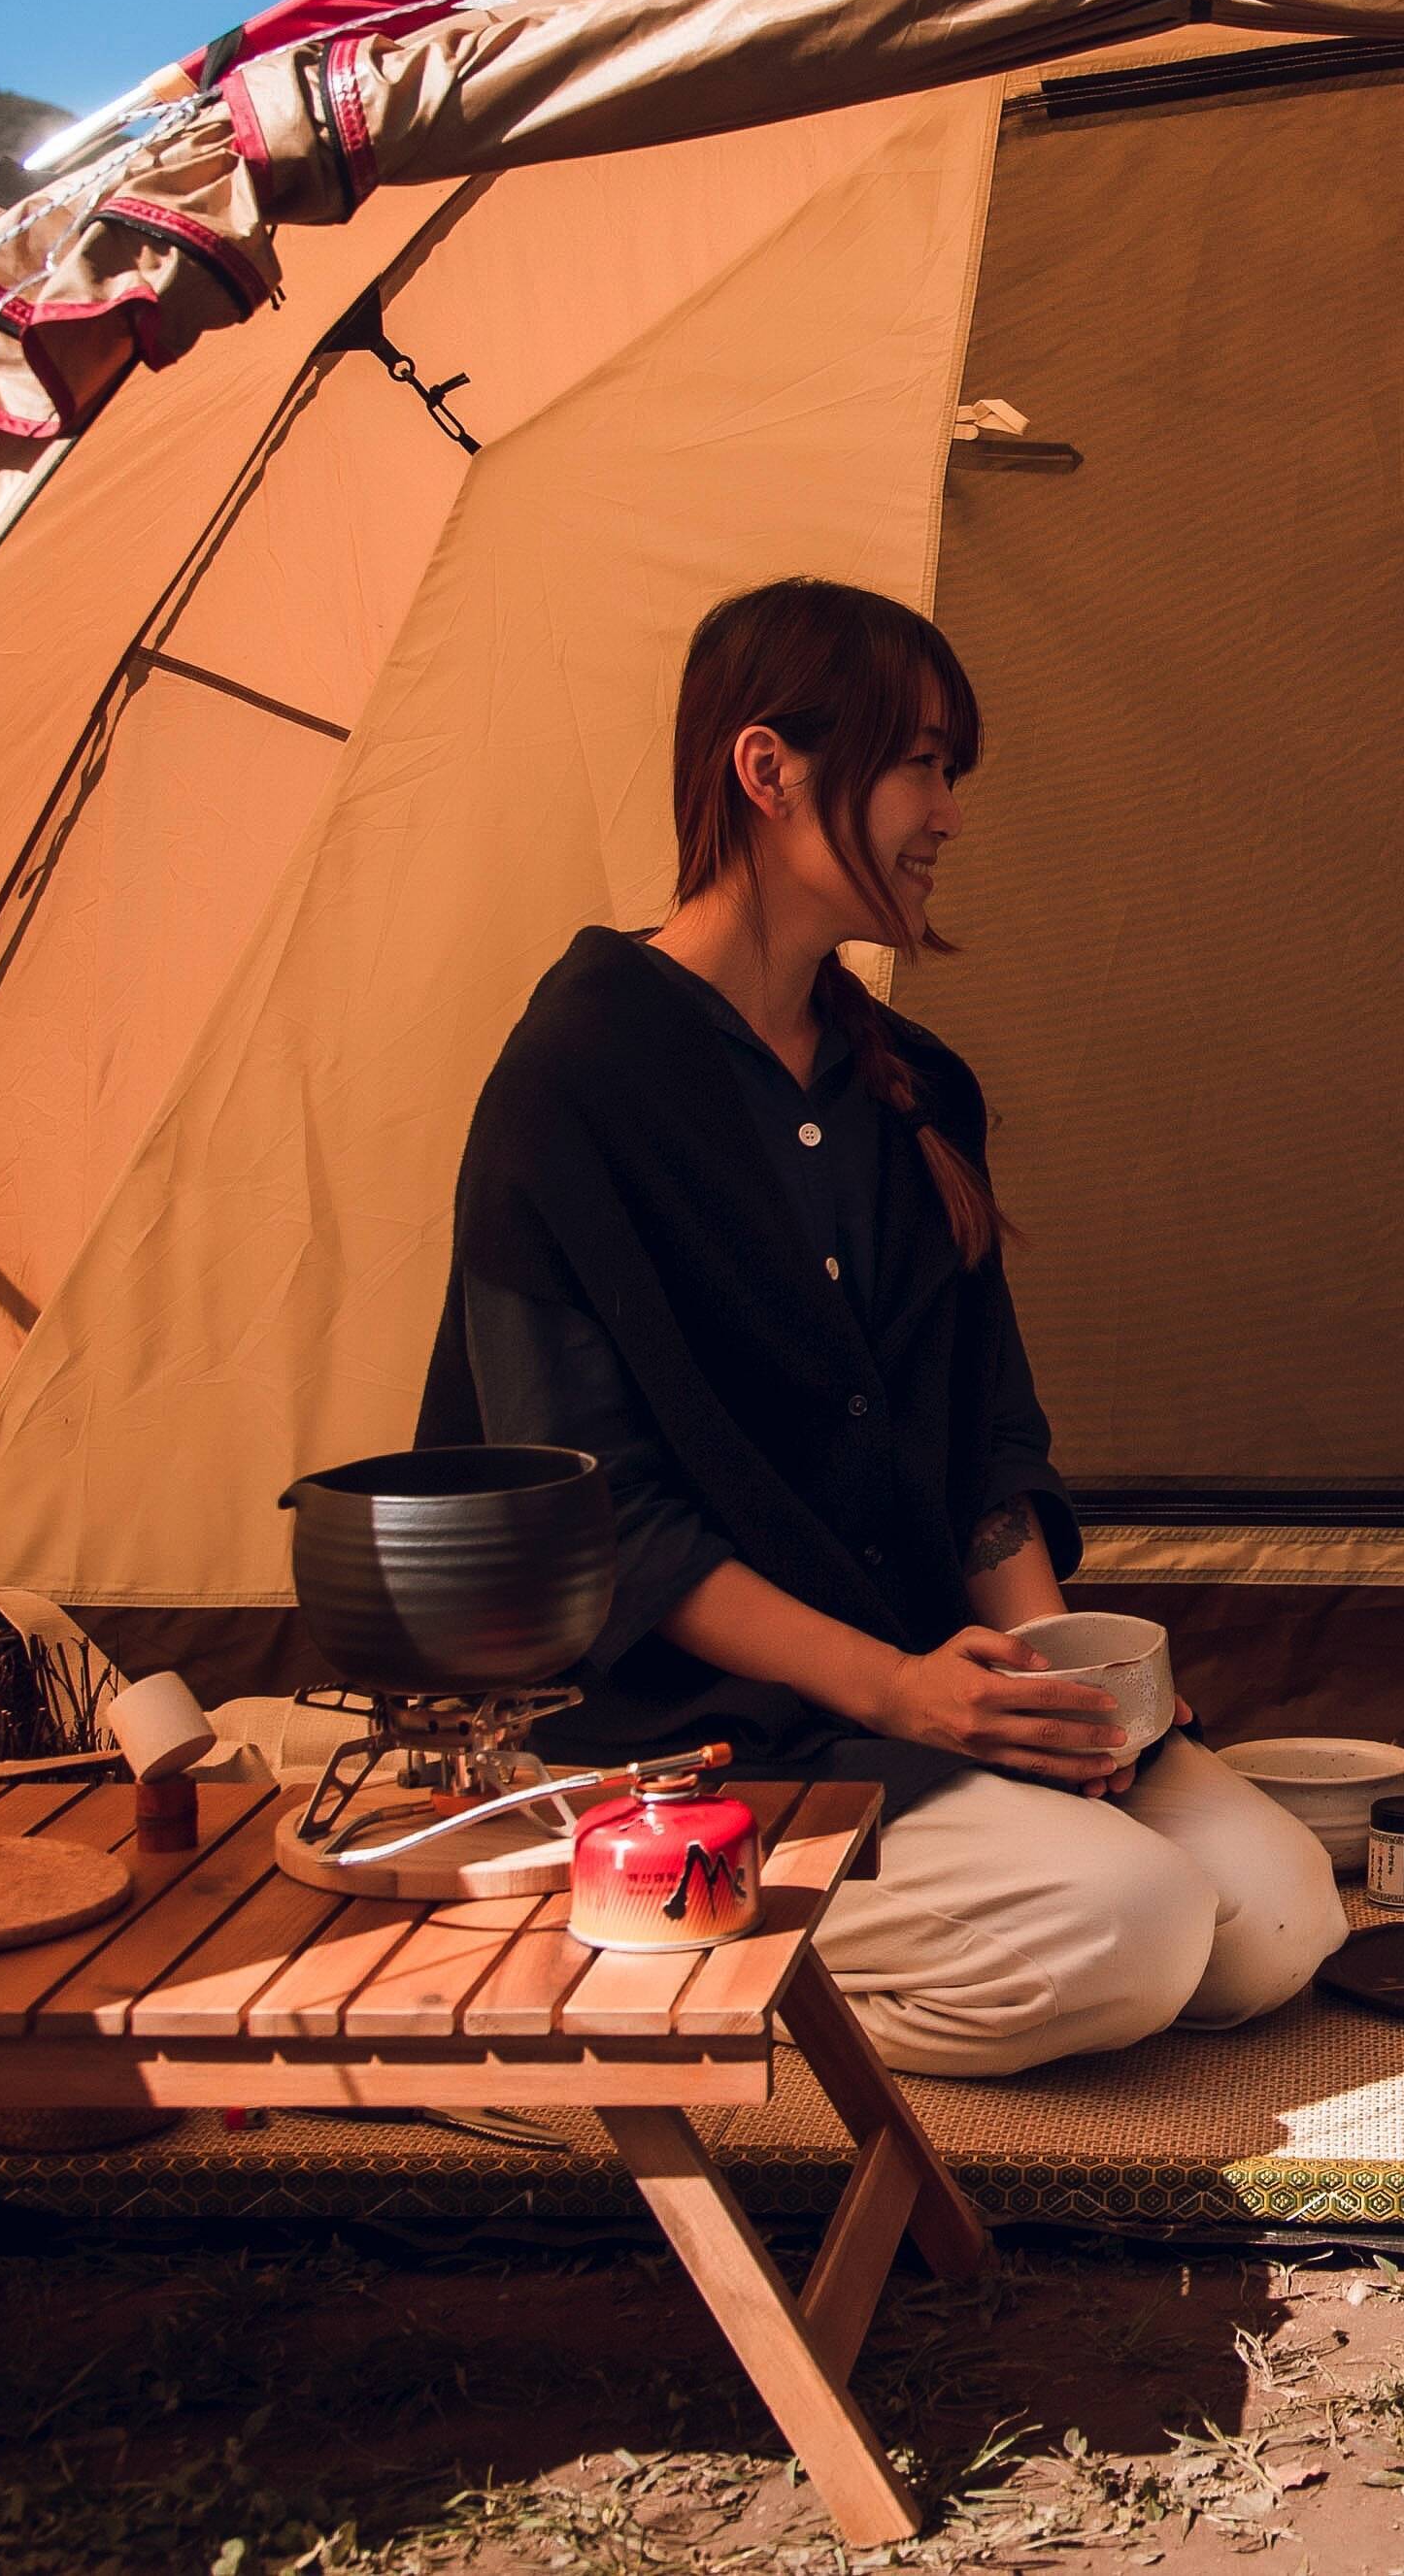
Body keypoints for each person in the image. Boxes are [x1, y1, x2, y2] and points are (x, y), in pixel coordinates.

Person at [426, 578, 1342, 2074]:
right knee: (1133, 1931)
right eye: (921, 762)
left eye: (950, 770)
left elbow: (982, 1439)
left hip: (936, 1684)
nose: (948, 814)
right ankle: (671, 1933)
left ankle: (921, 1899)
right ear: (766, 768)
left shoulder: (915, 1084)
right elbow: (599, 1521)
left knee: (1277, 1918)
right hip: (710, 1721)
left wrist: (1058, 1682)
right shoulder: (582, 1075)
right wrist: (899, 1690)